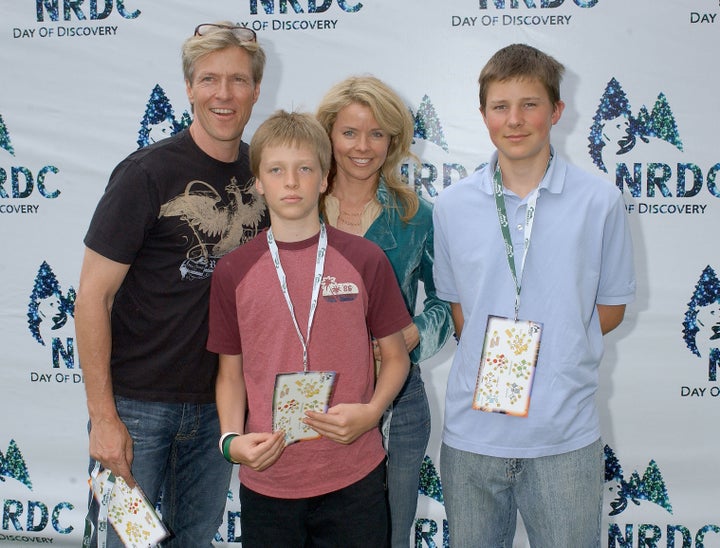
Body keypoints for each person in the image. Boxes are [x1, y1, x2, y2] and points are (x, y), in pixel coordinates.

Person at [432, 44, 636, 547]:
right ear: (483, 115)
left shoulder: (600, 202)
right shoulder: (451, 206)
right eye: (500, 106)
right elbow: (460, 311)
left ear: (557, 111)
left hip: (564, 436)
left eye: (530, 104)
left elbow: (609, 308)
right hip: (472, 437)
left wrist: (555, 347)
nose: (515, 119)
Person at [75, 22, 268, 547]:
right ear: (188, 88)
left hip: (218, 410)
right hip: (137, 410)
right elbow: (93, 296)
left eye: (237, 80)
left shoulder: (267, 173)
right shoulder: (146, 174)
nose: (223, 94)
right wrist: (104, 419)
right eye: (209, 79)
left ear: (256, 88)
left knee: (195, 541)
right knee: (122, 543)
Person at [207, 110, 411, 547]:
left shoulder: (364, 259)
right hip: (270, 479)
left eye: (305, 169)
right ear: (258, 182)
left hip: (354, 476)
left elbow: (396, 357)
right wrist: (230, 441)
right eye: (276, 170)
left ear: (324, 178)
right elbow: (230, 372)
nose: (292, 182)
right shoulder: (233, 271)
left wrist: (373, 412)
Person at [315, 75, 453, 547]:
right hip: (310, 396)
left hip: (396, 400)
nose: (362, 146)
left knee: (388, 535)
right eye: (350, 132)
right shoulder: (295, 209)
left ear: (393, 141)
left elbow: (445, 304)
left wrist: (411, 335)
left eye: (377, 134)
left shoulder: (417, 216)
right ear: (328, 134)